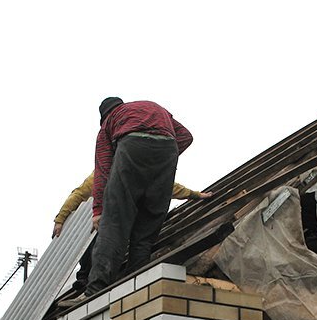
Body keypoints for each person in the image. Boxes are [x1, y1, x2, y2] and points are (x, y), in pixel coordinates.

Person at [83, 97, 193, 298]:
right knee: (147, 226)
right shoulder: (151, 106)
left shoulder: (109, 123)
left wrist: (98, 210)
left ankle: (95, 290)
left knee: (114, 221)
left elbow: (103, 169)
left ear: (103, 116)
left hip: (131, 146)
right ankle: (137, 282)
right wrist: (161, 159)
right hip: (167, 150)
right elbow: (185, 136)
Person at [52, 171, 211, 293]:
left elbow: (168, 187)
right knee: (95, 240)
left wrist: (195, 195)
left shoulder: (142, 171)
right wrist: (61, 218)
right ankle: (86, 278)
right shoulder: (103, 173)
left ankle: (133, 276)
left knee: (132, 243)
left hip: (129, 223)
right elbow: (79, 194)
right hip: (108, 222)